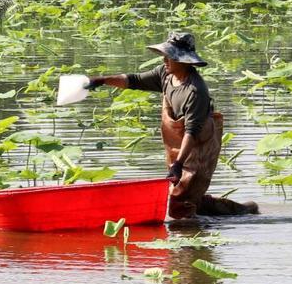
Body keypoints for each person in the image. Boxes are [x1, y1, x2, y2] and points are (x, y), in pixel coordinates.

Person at [86, 32, 258, 219]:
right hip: (179, 144)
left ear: (184, 61)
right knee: (188, 200)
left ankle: (195, 239)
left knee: (181, 205)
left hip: (199, 146)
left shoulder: (195, 91)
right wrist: (103, 80)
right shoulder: (165, 75)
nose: (165, 59)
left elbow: (192, 132)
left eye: (170, 56)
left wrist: (178, 163)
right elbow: (133, 80)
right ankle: (242, 210)